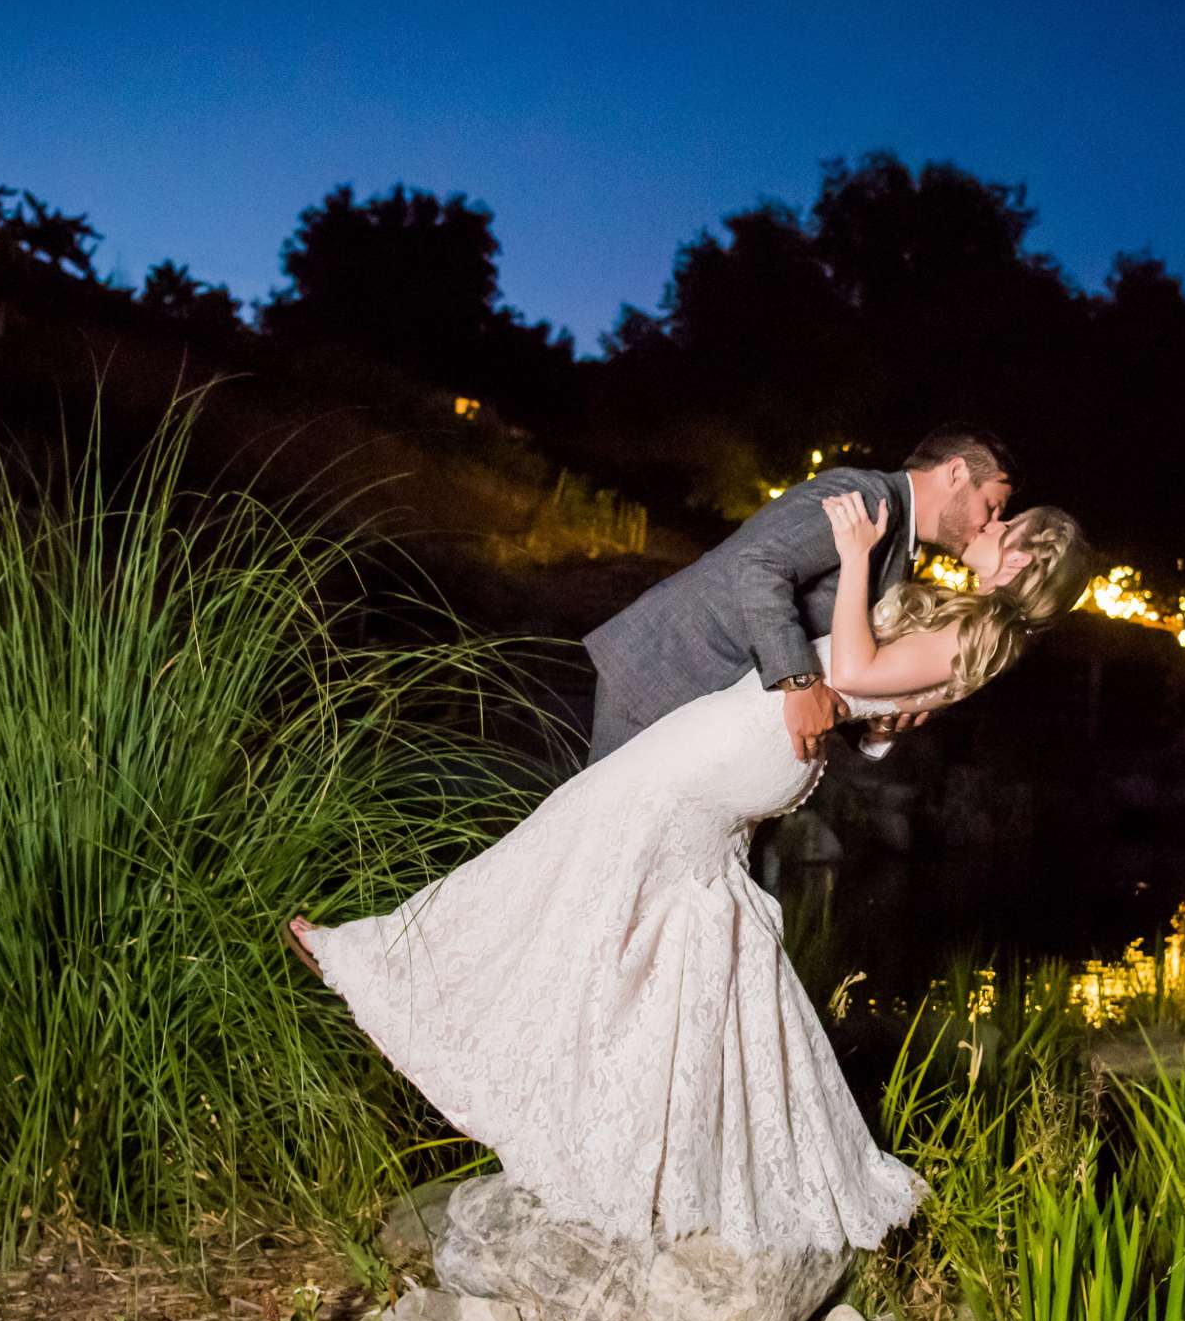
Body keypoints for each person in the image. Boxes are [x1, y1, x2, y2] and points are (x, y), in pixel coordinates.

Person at [285, 474, 1091, 1259]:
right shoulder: (979, 627)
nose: (990, 526)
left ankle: (390, 966)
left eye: (1004, 528)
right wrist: (889, 702)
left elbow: (842, 673)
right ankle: (647, 1140)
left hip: (741, 742)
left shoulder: (968, 622)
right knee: (685, 929)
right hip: (755, 741)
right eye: (995, 512)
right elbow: (876, 726)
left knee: (567, 843)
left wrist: (852, 558)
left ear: (1024, 561)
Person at [580, 426, 1017, 765]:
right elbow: (756, 565)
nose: (991, 521)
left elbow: (833, 644)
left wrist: (875, 719)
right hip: (666, 669)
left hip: (707, 702)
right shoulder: (867, 498)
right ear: (956, 472)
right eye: (992, 505)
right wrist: (798, 680)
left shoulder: (901, 548)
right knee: (598, 843)